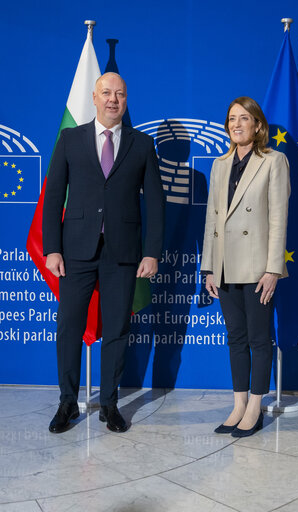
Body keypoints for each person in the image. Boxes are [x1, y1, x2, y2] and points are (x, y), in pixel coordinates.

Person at [43, 72, 165, 434]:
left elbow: (156, 206)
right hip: (76, 250)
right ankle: (67, 401)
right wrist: (52, 249)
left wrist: (152, 252)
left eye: (120, 94)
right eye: (107, 93)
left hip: (123, 253)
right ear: (94, 98)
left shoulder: (142, 145)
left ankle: (110, 403)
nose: (113, 99)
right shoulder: (69, 139)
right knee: (69, 328)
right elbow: (52, 198)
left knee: (117, 329)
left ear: (126, 101)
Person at [201, 97, 290, 437]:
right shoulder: (220, 164)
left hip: (257, 268)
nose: (236, 124)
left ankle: (255, 405)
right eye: (231, 119)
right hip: (224, 266)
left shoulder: (273, 161)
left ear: (257, 125)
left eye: (243, 118)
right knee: (235, 338)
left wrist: (273, 269)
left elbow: (279, 219)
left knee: (258, 339)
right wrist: (208, 267)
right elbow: (212, 218)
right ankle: (238, 404)